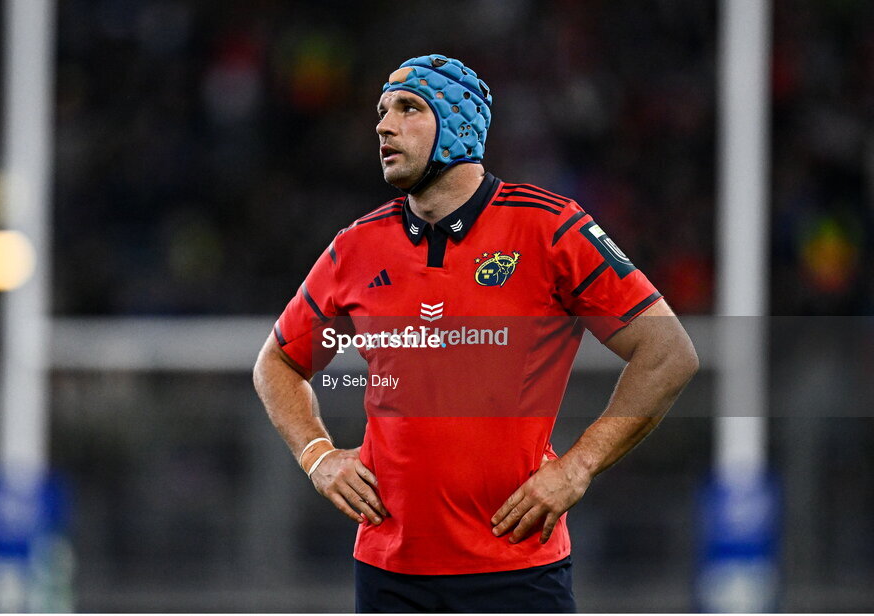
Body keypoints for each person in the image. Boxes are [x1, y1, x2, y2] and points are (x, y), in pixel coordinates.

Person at [253, 54, 698, 613]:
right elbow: (276, 363)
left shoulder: (549, 227)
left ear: (460, 125)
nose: (384, 126)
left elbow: (667, 352)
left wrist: (578, 468)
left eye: (409, 108)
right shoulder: (355, 247)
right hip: (389, 571)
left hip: (516, 569)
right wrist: (317, 456)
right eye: (382, 112)